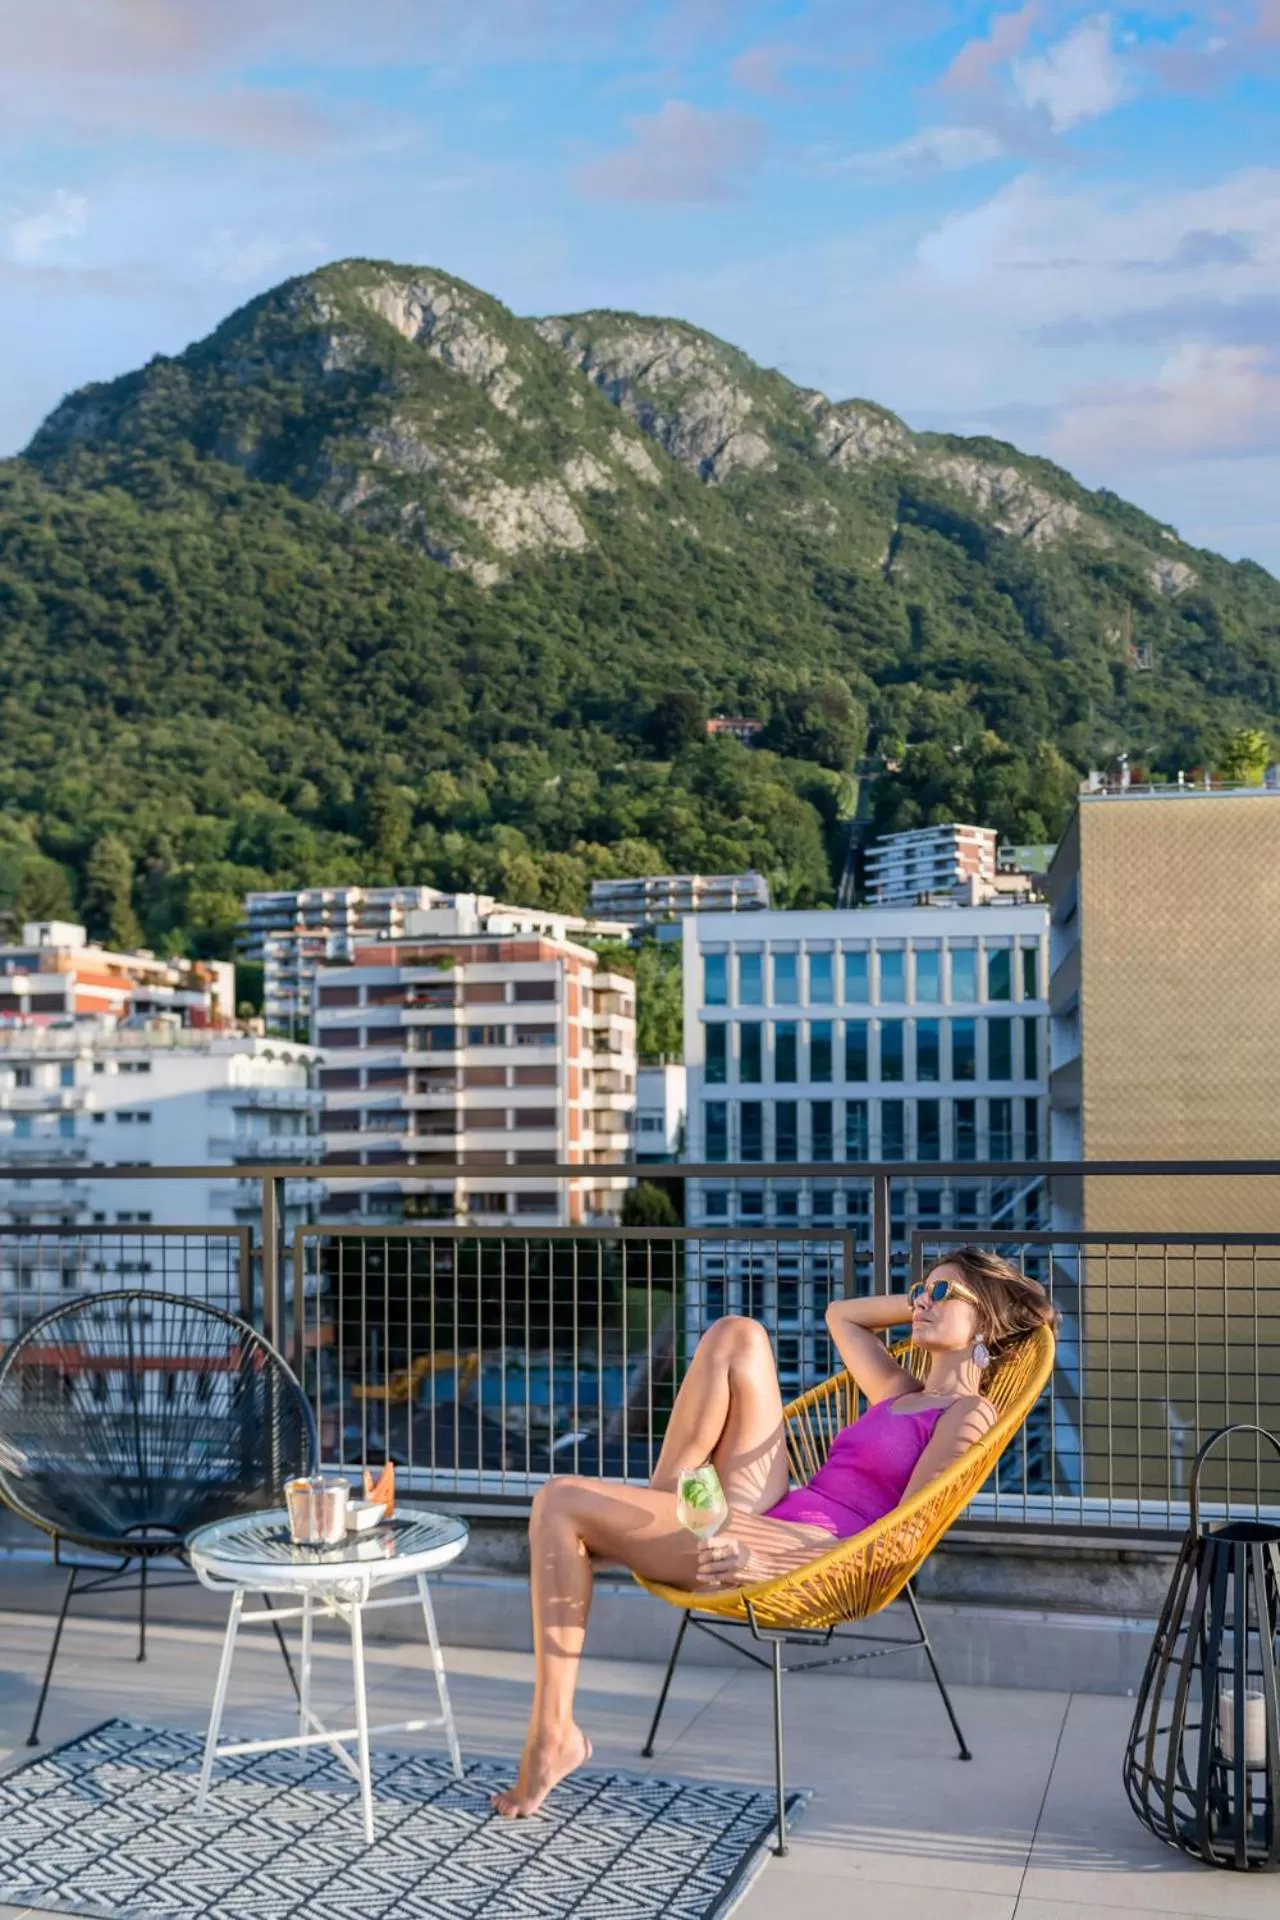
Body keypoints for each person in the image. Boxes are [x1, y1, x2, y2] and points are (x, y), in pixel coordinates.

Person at [493, 1245, 1056, 1818]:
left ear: (985, 1318)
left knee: (560, 1501)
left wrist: (767, 1562)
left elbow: (900, 1538)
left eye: (941, 1294)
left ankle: (553, 1734)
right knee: (737, 1333)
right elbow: (842, 1314)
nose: (921, 1303)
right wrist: (925, 1299)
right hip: (774, 1510)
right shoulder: (901, 1393)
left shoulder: (968, 1414)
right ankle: (656, 1516)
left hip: (808, 1553)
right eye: (919, 1291)